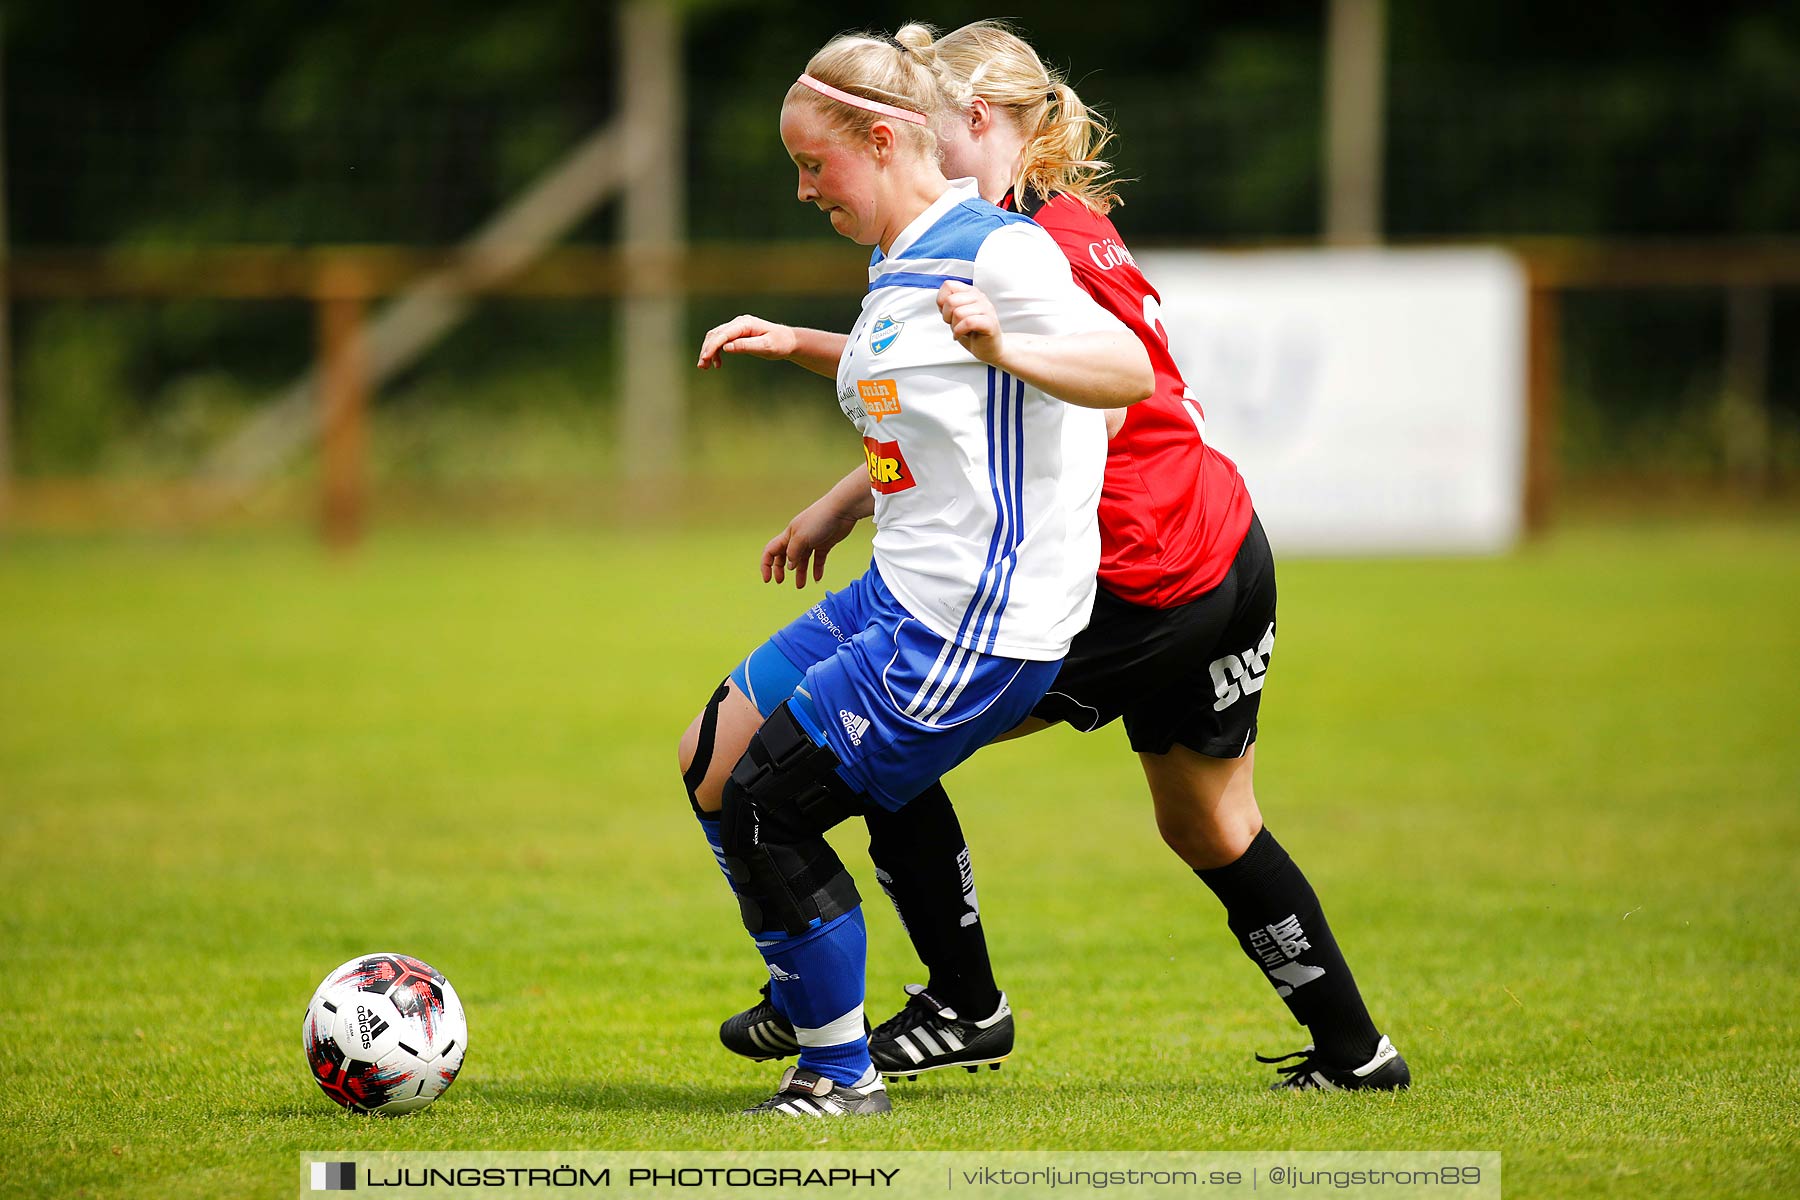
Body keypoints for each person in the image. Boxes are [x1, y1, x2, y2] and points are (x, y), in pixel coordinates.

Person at [699, 20, 1409, 1095]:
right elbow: (958, 391)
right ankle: (1359, 1052)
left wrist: (919, 423)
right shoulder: (1036, 228)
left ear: (975, 124)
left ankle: (953, 1002)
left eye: (931, 135)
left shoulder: (1031, 245)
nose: (921, 161)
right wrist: (844, 472)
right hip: (1219, 551)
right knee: (1210, 822)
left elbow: (1082, 382)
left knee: (879, 744)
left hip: (1130, 583)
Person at [678, 26, 1154, 1117]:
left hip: (973, 626)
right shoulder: (902, 258)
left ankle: (838, 1073)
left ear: (888, 140)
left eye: (814, 164)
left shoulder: (1001, 250)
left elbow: (1129, 368)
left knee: (766, 810)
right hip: (899, 592)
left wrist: (1010, 348)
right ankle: (812, 986)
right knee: (713, 759)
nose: (804, 190)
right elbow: (919, 387)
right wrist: (797, 347)